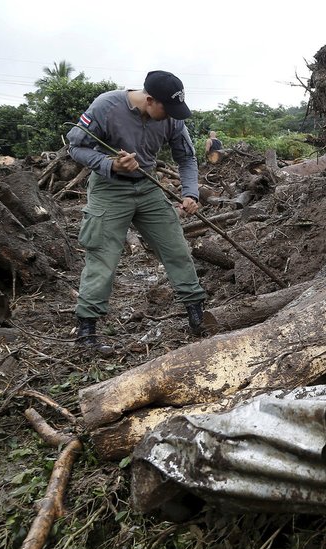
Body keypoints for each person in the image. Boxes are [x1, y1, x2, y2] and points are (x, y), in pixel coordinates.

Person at [66, 70, 207, 348]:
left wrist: (190, 192)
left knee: (176, 246)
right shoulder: (106, 106)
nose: (171, 116)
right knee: (102, 255)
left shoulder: (172, 120)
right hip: (110, 189)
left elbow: (186, 157)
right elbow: (75, 147)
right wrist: (110, 164)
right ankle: (87, 329)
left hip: (148, 186)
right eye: (167, 109)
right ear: (150, 100)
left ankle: (197, 314)